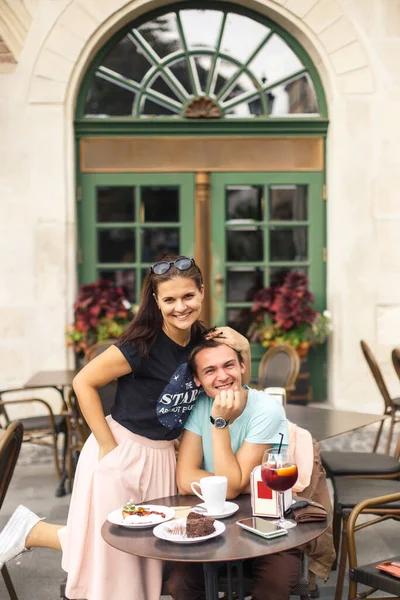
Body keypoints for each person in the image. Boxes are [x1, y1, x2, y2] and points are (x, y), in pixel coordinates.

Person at [0, 256, 250, 600]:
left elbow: (232, 377)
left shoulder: (204, 342)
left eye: (188, 296)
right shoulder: (141, 344)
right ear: (157, 302)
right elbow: (83, 382)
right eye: (170, 300)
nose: (180, 307)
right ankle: (33, 531)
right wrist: (108, 448)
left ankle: (34, 531)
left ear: (202, 292)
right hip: (123, 450)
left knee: (145, 555)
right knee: (115, 558)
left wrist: (243, 345)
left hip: (163, 456)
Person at [168, 337, 302, 600]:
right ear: (197, 380)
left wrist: (220, 423)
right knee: (181, 585)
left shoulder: (266, 408)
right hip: (212, 519)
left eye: (228, 365)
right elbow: (185, 479)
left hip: (265, 520)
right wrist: (229, 483)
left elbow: (232, 487)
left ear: (242, 366)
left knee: (272, 590)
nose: (222, 376)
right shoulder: (199, 407)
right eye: (210, 370)